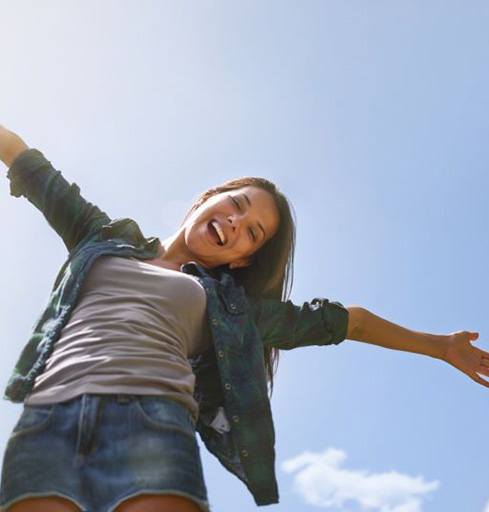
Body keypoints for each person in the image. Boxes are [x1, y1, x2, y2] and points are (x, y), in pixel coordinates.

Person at [0, 125, 487, 512]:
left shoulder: (236, 309)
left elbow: (350, 322)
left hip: (152, 424)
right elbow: (24, 158)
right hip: (52, 414)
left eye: (251, 232)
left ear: (241, 260)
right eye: (235, 206)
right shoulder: (100, 236)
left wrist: (439, 346)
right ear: (209, 197)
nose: (235, 223)